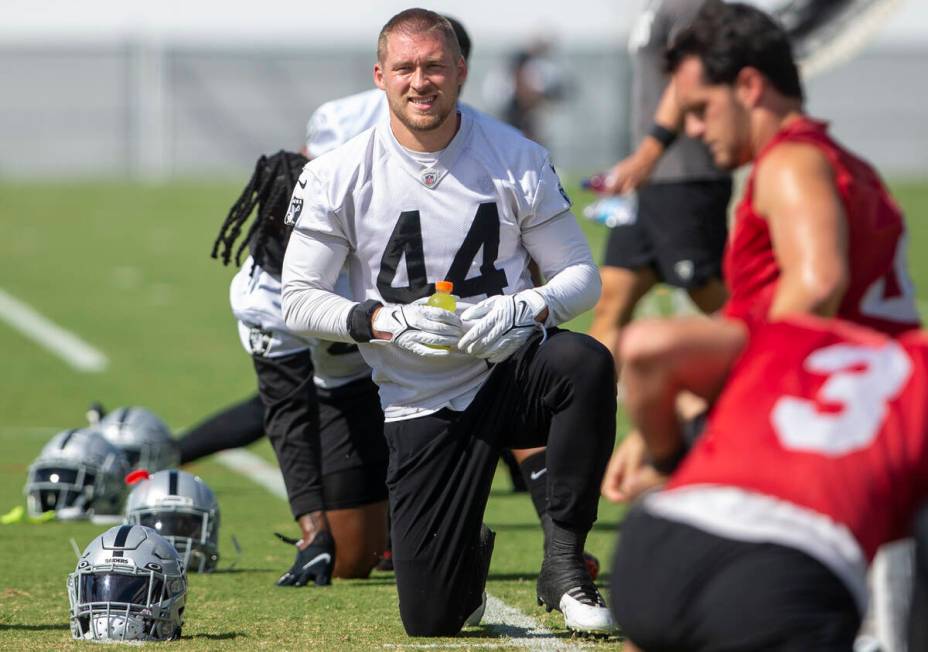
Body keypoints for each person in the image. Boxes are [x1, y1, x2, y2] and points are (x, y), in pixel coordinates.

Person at [281, 9, 616, 636]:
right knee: (432, 619)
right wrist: (383, 321)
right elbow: (297, 299)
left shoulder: (515, 155)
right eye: (405, 68)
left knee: (584, 363)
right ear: (379, 76)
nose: (420, 81)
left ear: (461, 70)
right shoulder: (337, 172)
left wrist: (523, 307)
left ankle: (566, 564)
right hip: (419, 398)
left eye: (435, 65)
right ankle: (462, 553)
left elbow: (580, 276)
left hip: (508, 368)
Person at [602, 0, 919, 504]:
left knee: (647, 352)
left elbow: (817, 288)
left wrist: (725, 405)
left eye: (701, 109)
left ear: (749, 87)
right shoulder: (833, 160)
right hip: (862, 404)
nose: (697, 131)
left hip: (848, 419)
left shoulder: (791, 164)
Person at [609, 314, 928, 651]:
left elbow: (645, 347)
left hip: (661, 536)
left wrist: (666, 460)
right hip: (790, 573)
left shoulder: (789, 331)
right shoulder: (919, 370)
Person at [214, 150, 390, 583]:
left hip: (415, 375)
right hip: (347, 390)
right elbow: (289, 414)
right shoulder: (260, 297)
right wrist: (313, 533)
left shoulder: (374, 230)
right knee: (351, 560)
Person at [587, 0, 731, 365]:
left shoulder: (694, 7)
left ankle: (771, 356)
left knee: (705, 292)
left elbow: (690, 81)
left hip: (686, 174)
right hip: (650, 181)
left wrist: (646, 156)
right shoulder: (660, 6)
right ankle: (588, 414)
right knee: (611, 301)